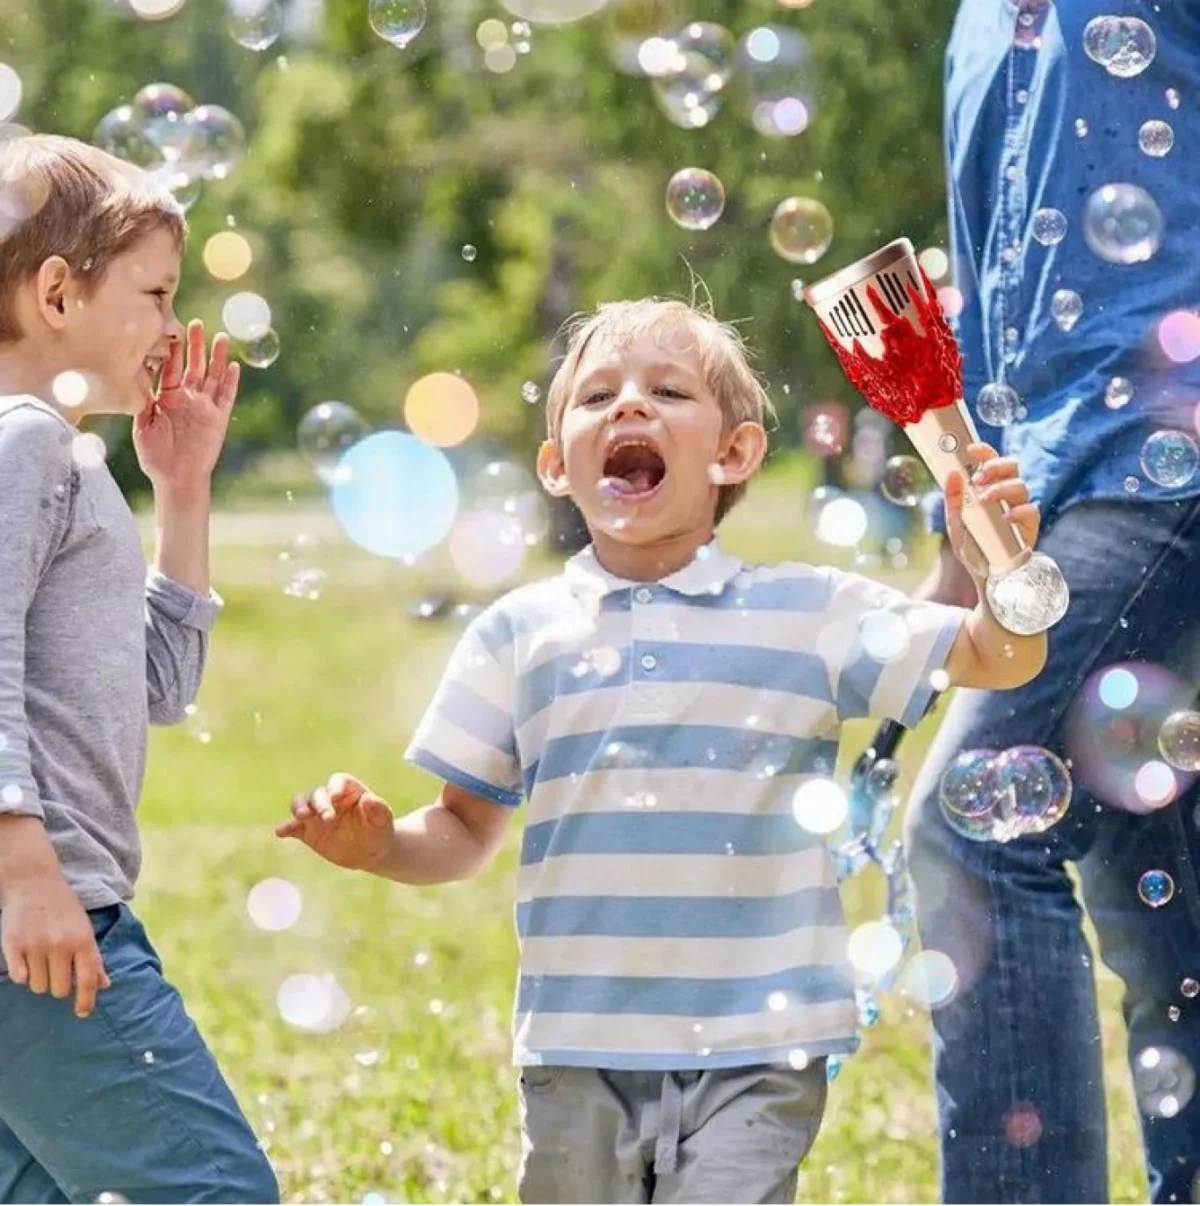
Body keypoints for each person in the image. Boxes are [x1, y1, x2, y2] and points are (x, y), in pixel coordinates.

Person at [279, 296, 1047, 1204]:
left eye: (668, 390)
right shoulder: (518, 633)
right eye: (598, 394)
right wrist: (381, 848)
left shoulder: (809, 613)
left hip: (761, 1047)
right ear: (557, 464)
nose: (630, 406)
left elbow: (998, 656)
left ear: (735, 452)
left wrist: (1003, 572)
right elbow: (463, 827)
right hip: (578, 1045)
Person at [906, 1, 1200, 1202]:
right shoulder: (978, 26)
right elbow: (990, 301)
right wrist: (964, 536)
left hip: (1165, 448)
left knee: (975, 829)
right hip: (1056, 486)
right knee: (1166, 901)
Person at [0, 136, 279, 1203]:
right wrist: (24, 868)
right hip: (41, 921)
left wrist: (184, 490)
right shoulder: (24, 443)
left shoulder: (68, 458)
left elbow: (157, 684)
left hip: (34, 914)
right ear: (59, 293)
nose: (172, 327)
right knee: (216, 1191)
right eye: (157, 293)